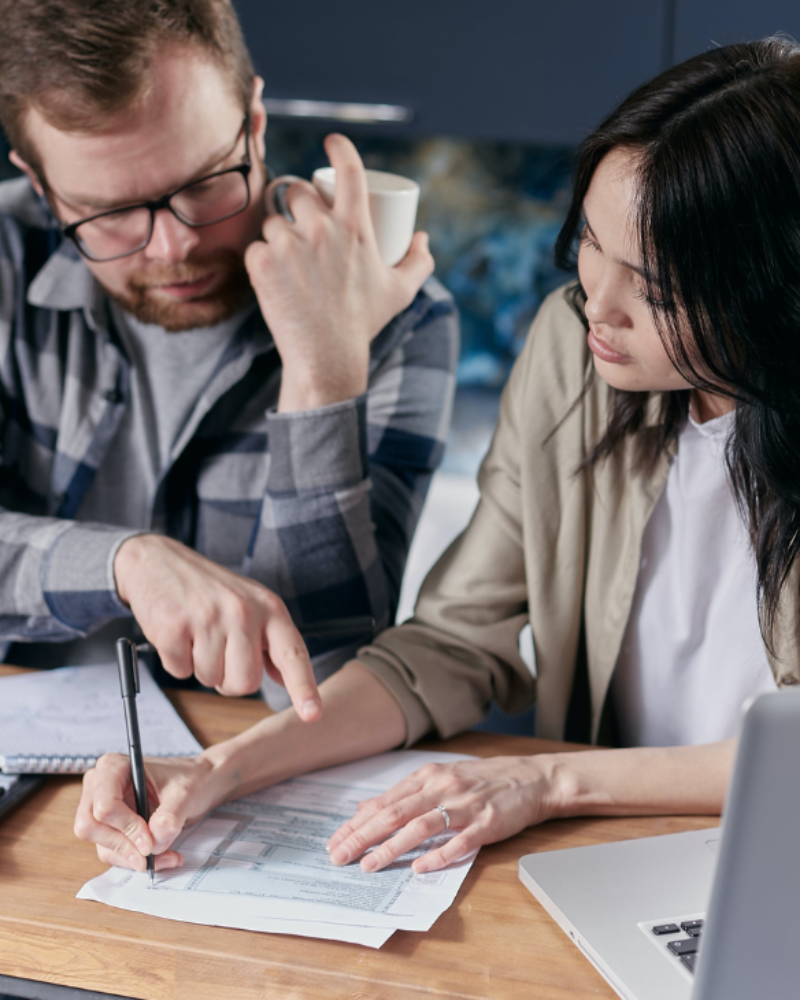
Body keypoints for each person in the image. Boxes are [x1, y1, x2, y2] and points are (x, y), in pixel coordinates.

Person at [76, 37, 800, 879]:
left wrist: (549, 780)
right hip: (618, 859)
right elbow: (454, 641)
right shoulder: (574, 353)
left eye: (659, 288)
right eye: (593, 243)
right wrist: (221, 771)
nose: (596, 303)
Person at [0, 0, 458, 712]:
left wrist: (321, 376)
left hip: (246, 772)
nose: (172, 247)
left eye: (204, 181)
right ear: (38, 183)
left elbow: (330, 684)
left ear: (255, 123)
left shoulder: (401, 313)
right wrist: (126, 564)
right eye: (110, 212)